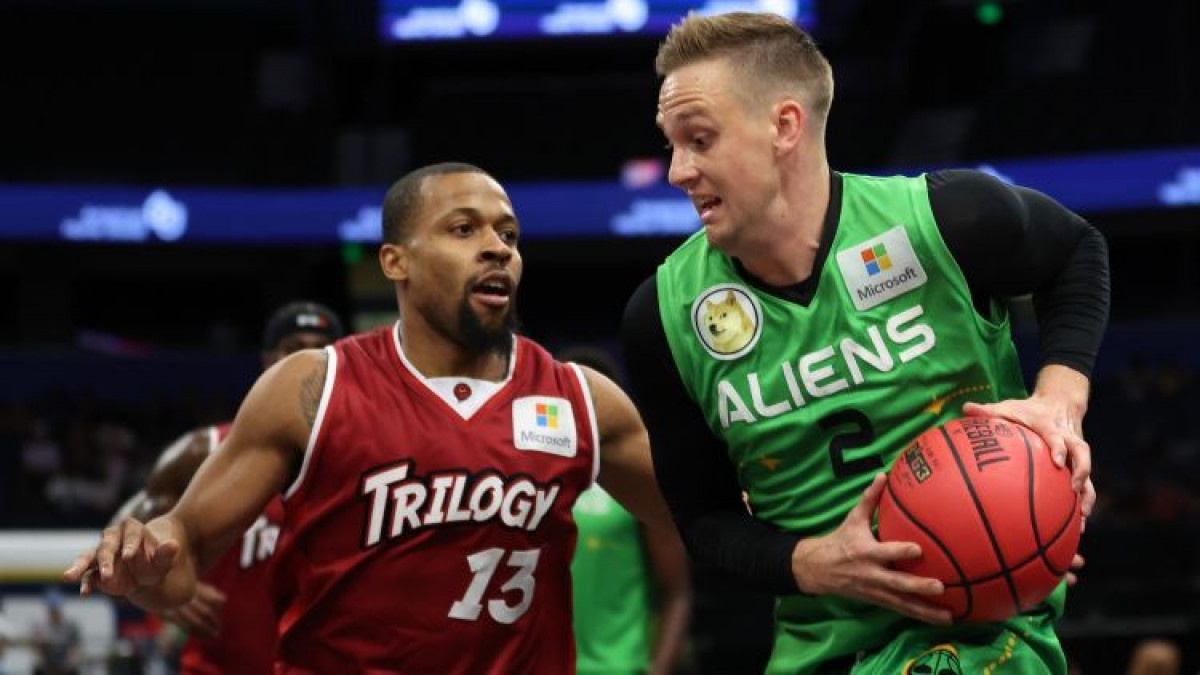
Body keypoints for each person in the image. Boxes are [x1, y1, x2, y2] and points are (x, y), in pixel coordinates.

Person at [621, 11, 1109, 674]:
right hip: (821, 645)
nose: (678, 170)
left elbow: (1078, 251)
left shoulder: (944, 220)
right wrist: (811, 562)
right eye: (673, 145)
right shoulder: (662, 317)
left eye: (699, 140)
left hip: (984, 634)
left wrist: (1059, 404)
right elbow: (703, 520)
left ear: (784, 126)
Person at [66, 162, 676, 674]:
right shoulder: (312, 389)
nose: (498, 247)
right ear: (394, 262)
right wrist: (147, 560)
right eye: (464, 229)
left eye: (509, 234)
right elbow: (187, 546)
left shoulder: (580, 399)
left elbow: (701, 517)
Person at [108, 301, 345, 674]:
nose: (308, 363)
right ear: (268, 361)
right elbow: (118, 544)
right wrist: (163, 596)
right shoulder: (204, 451)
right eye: (294, 349)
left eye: (322, 351)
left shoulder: (368, 458)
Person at [558, 345, 692, 675]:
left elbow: (677, 590)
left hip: (618, 666)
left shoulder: (637, 485)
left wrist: (658, 670)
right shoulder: (529, 487)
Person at [31, 590, 81, 675]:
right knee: (37, 668)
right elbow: (37, 651)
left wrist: (69, 664)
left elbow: (74, 650)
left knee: (74, 669)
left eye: (56, 609)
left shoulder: (71, 627)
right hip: (47, 662)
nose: (54, 613)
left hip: (65, 662)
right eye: (52, 610)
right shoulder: (39, 627)